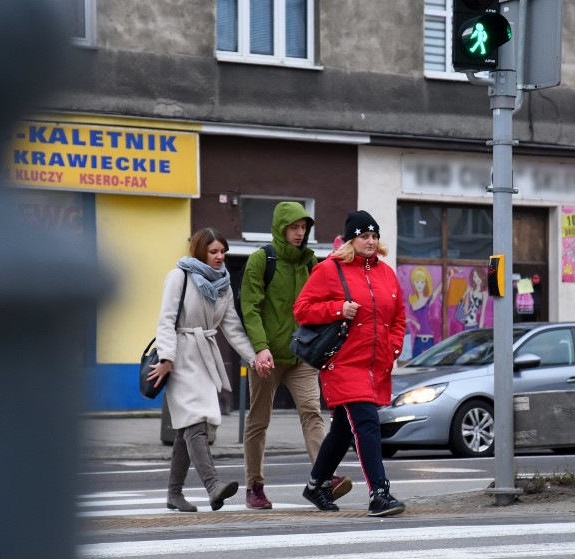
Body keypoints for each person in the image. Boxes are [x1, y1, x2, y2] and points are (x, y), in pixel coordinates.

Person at [293, 210, 407, 517]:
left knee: (344, 430)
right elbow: (302, 310)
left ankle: (316, 485)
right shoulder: (330, 269)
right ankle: (379, 494)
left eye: (374, 236)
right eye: (364, 236)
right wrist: (337, 309)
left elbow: (398, 317)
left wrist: (393, 348)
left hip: (375, 365)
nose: (370, 242)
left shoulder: (386, 273)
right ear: (351, 240)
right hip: (342, 362)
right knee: (367, 423)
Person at [239, 202, 352, 509]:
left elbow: (323, 300)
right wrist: (259, 347)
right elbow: (249, 307)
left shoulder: (309, 262)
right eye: (294, 227)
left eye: (303, 228)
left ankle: (323, 477)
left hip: (301, 354)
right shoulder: (262, 260)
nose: (300, 233)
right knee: (258, 420)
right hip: (268, 356)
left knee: (312, 412)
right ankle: (255, 486)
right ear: (280, 227)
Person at [147, 227, 264, 513]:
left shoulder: (222, 284)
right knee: (195, 422)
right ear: (200, 251)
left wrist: (254, 357)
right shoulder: (179, 276)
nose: (219, 257)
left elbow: (232, 328)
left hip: (205, 357)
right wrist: (166, 357)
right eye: (214, 252)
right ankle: (212, 485)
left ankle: (174, 494)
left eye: (222, 251)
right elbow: (166, 320)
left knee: (187, 428)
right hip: (179, 357)